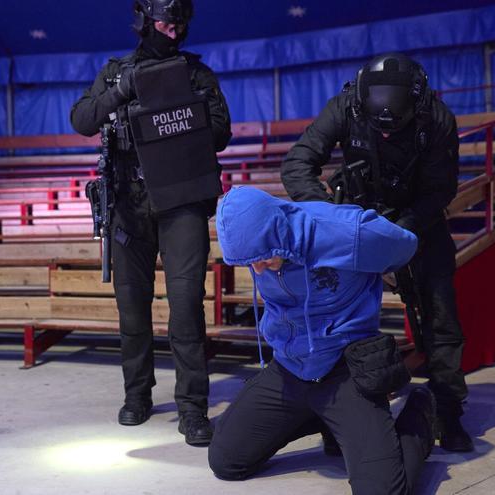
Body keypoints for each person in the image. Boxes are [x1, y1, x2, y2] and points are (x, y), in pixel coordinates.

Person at [280, 52, 473, 452]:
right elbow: (298, 163)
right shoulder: (344, 104)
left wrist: (401, 233)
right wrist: (330, 218)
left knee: (441, 317)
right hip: (357, 221)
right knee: (340, 318)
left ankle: (449, 410)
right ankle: (340, 414)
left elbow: (441, 189)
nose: (385, 134)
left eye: (394, 128)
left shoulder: (437, 119)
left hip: (418, 219)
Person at [70, 0, 231, 445]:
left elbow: (221, 132)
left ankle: (193, 408)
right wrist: (121, 93)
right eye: (165, 23)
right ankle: (137, 394)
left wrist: (182, 103)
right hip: (129, 204)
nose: (173, 32)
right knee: (132, 310)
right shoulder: (116, 72)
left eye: (180, 25)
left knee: (185, 309)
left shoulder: (197, 74)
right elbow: (82, 119)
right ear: (144, 22)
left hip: (181, 204)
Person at [208, 186, 436, 494]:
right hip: (290, 367)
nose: (257, 267)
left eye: (263, 256)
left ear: (279, 230)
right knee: (226, 460)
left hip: (346, 369)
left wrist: (373, 275)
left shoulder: (346, 232)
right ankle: (326, 419)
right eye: (250, 261)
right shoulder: (258, 256)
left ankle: (420, 411)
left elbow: (404, 246)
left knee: (381, 490)